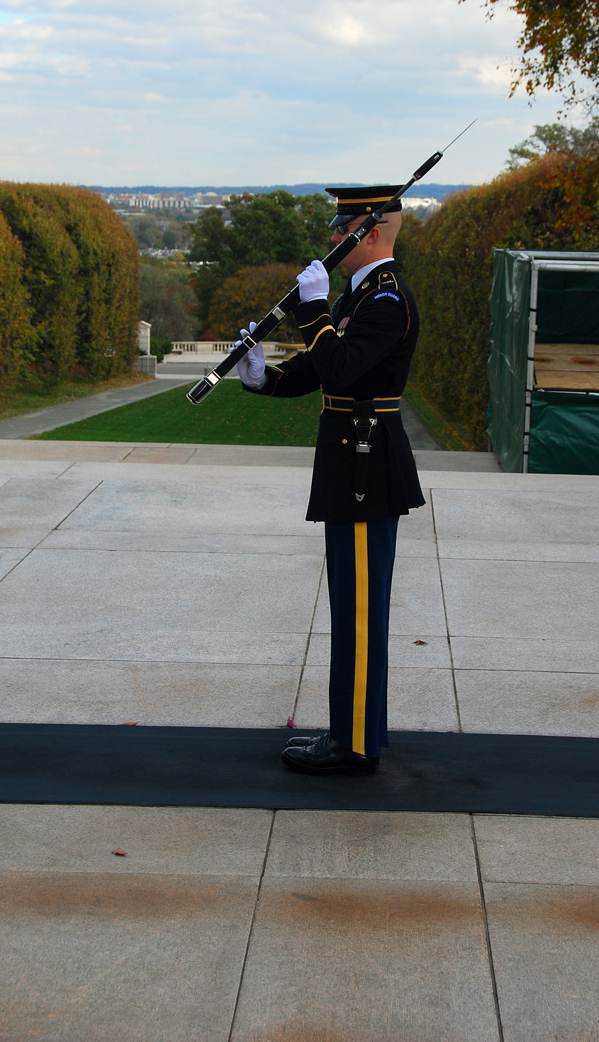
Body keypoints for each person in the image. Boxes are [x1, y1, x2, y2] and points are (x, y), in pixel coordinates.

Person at [236, 184, 425, 775]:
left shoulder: (386, 300)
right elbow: (321, 371)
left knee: (360, 612)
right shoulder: (360, 294)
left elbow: (341, 365)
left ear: (369, 234)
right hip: (351, 463)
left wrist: (314, 311)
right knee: (350, 605)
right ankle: (352, 732)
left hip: (367, 466)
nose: (334, 242)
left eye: (342, 233)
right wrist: (262, 376)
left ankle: (355, 745)